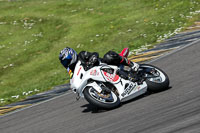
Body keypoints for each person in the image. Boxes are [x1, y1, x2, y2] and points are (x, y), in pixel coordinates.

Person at [59, 47, 139, 79]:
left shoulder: (81, 55)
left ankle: (131, 64)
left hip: (103, 65)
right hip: (96, 77)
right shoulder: (70, 70)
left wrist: (92, 60)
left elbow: (95, 54)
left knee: (108, 56)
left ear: (72, 55)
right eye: (64, 62)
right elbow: (73, 79)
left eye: (67, 60)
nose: (67, 63)